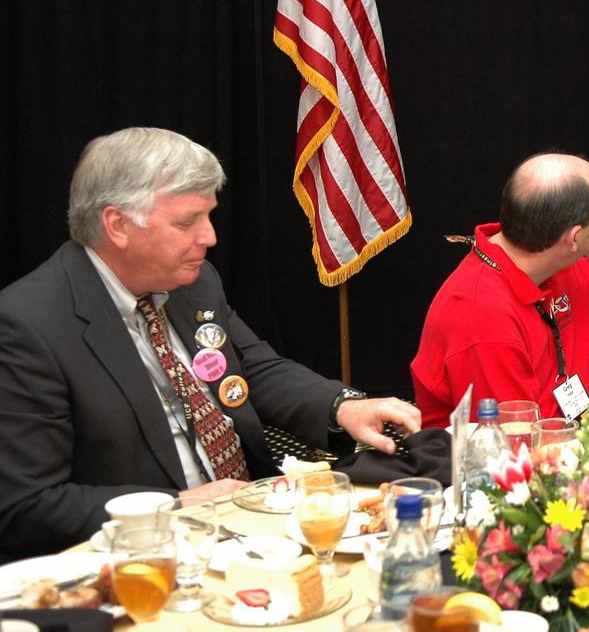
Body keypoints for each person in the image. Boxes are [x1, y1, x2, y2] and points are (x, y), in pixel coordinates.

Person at [0, 127, 421, 561]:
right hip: (146, 556)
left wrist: (341, 406)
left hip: (250, 524)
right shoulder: (27, 326)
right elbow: (26, 507)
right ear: (117, 225)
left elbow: (252, 367)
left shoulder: (192, 282)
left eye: (208, 216)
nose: (209, 237)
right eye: (186, 222)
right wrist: (175, 506)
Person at [411, 153, 589, 427]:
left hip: (563, 447)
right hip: (508, 460)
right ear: (574, 237)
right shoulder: (482, 319)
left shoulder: (557, 258)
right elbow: (507, 449)